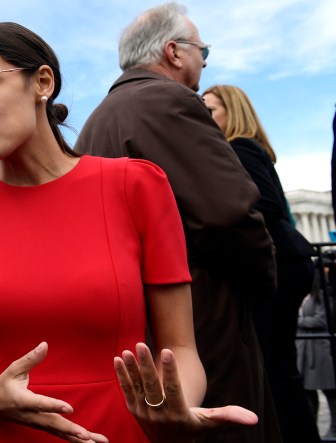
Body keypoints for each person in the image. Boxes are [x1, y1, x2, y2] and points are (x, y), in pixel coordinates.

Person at [0, 21, 257, 443]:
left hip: (123, 432)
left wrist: (172, 409)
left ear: (42, 82)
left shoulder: (137, 186)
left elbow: (181, 348)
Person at [74, 4, 280, 442]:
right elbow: (228, 214)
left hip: (136, 325)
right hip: (202, 314)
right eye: (202, 49)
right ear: (173, 52)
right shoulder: (167, 101)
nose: (205, 60)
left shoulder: (96, 119)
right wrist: (266, 281)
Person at [203, 84, 319, 442]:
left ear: (231, 112)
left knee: (274, 366)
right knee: (277, 363)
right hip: (287, 262)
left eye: (211, 110)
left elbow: (264, 206)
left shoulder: (240, 148)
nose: (205, 117)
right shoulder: (250, 149)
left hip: (279, 264)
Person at [298, 264, 336, 438]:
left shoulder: (320, 296)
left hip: (319, 350)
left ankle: (334, 427)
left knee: (329, 389)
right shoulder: (306, 297)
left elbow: (320, 320)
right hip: (306, 350)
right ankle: (312, 427)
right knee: (308, 390)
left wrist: (298, 320)